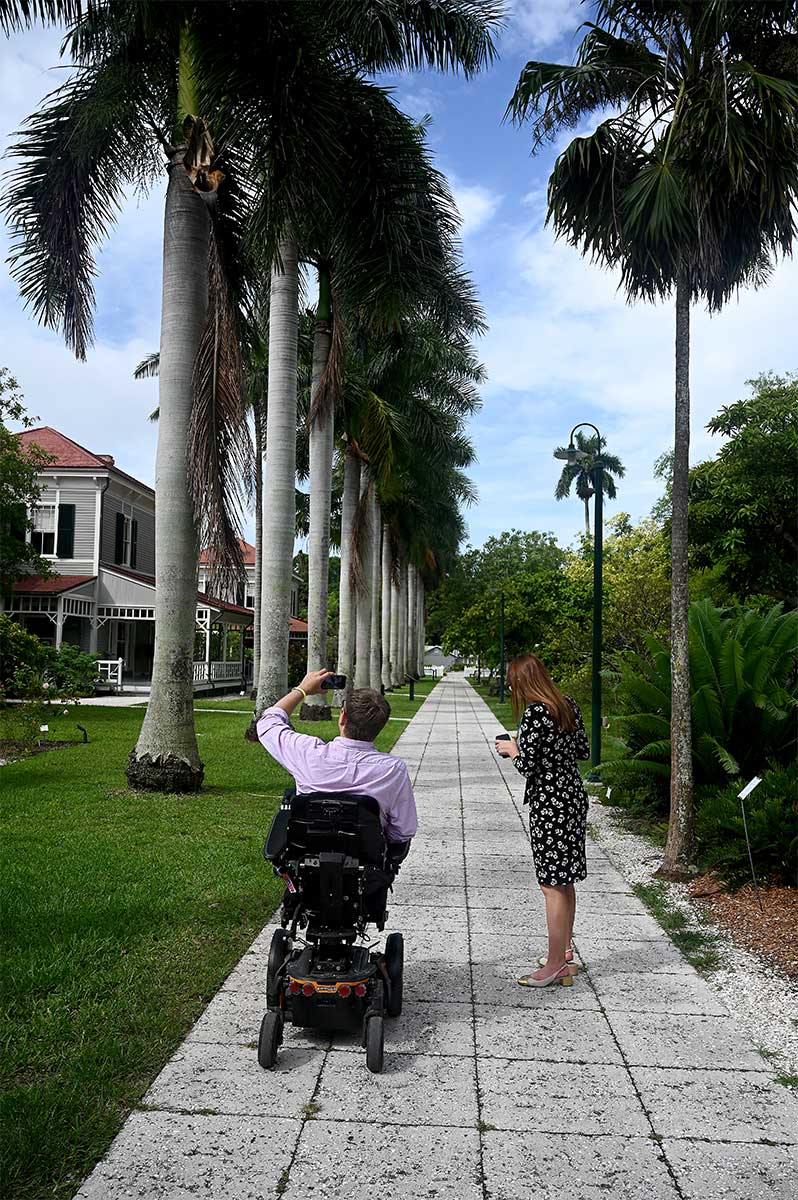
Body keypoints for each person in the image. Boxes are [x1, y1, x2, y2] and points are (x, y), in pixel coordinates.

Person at [494, 652, 590, 988]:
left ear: (523, 682)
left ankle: (554, 965)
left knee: (551, 884)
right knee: (565, 881)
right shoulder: (567, 704)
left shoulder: (536, 713)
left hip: (550, 803)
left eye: (513, 684)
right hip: (572, 795)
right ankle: (564, 952)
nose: (513, 690)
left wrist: (513, 750)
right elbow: (582, 751)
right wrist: (543, 749)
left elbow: (527, 766)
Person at [257, 670, 418, 858]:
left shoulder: (308, 753)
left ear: (342, 717)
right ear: (380, 725)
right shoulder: (392, 770)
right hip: (366, 859)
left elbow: (268, 723)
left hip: (306, 853)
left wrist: (302, 690)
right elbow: (403, 830)